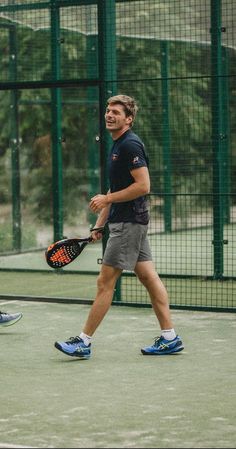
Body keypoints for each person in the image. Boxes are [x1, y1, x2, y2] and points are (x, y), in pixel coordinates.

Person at [55, 94, 184, 359]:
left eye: (116, 111)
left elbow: (143, 186)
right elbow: (118, 186)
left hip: (128, 224)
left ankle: (83, 342)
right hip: (128, 221)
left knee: (105, 283)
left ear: (129, 119)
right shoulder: (117, 145)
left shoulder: (130, 146)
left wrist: (107, 200)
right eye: (108, 110)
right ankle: (170, 338)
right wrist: (99, 224)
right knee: (148, 277)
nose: (109, 114)